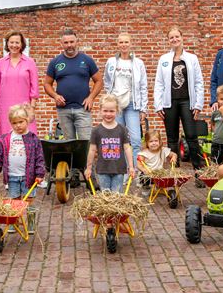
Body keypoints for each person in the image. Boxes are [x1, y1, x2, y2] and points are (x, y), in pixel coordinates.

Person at [154, 26, 204, 170]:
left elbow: (199, 82)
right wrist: (158, 105)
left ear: (182, 38)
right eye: (171, 38)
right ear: (168, 40)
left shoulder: (192, 58)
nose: (175, 39)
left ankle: (198, 171)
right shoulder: (163, 59)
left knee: (191, 136)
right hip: (169, 103)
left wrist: (198, 104)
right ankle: (175, 172)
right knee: (172, 138)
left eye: (177, 37)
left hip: (187, 102)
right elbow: (159, 84)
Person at [0, 104, 46, 234]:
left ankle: (31, 223)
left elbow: (39, 158)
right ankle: (13, 222)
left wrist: (40, 174)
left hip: (29, 177)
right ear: (11, 123)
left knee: (29, 201)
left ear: (27, 120)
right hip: (12, 176)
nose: (18, 126)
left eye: (21, 122)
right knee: (14, 200)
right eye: (14, 123)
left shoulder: (33, 139)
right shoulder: (6, 139)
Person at [44, 29, 103, 140]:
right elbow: (47, 84)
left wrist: (91, 98)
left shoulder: (87, 60)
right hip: (63, 110)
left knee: (85, 143)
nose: (69, 45)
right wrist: (55, 96)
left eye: (72, 42)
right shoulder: (55, 62)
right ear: (61, 44)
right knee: (68, 144)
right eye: (66, 43)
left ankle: (84, 158)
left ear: (77, 42)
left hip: (83, 109)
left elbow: (99, 81)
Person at [103, 33, 148, 165]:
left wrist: (143, 108)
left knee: (135, 140)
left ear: (130, 44)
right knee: (118, 139)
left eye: (126, 42)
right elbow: (107, 81)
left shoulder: (138, 63)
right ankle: (121, 171)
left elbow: (143, 86)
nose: (124, 45)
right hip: (116, 106)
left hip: (132, 105)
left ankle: (133, 170)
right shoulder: (111, 62)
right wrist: (110, 100)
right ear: (117, 44)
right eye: (121, 42)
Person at [84, 94, 135, 192]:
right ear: (100, 110)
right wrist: (89, 168)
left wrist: (131, 166)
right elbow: (92, 150)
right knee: (106, 196)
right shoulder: (96, 131)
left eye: (111, 111)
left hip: (119, 169)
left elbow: (127, 148)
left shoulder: (122, 129)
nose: (108, 114)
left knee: (116, 196)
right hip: (103, 170)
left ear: (117, 111)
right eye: (105, 111)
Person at [0, 31, 40, 139]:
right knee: (6, 139)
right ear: (7, 44)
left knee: (27, 139)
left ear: (22, 44)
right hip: (4, 107)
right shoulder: (0, 62)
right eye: (11, 42)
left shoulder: (30, 62)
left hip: (25, 107)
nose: (14, 45)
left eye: (17, 42)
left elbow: (35, 87)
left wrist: (32, 108)